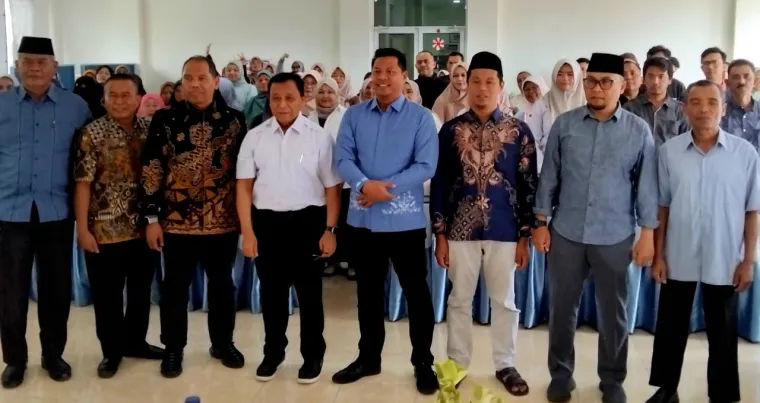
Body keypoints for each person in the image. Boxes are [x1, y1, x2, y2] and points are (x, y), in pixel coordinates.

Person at [533, 53, 658, 403]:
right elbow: (549, 176)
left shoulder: (637, 131)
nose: (597, 88)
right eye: (591, 81)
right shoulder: (565, 125)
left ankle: (613, 380)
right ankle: (561, 375)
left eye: (606, 82)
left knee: (614, 313)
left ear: (621, 85)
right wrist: (540, 222)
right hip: (567, 232)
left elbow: (646, 186)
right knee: (562, 309)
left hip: (615, 235)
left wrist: (647, 233)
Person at [332, 48, 439, 395]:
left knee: (416, 293)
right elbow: (343, 158)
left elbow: (426, 165)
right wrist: (365, 185)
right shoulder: (354, 115)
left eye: (390, 71)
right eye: (377, 71)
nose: (382, 78)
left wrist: (384, 189)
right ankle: (368, 358)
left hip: (405, 222)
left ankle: (423, 362)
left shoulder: (420, 117)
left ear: (403, 76)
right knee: (367, 292)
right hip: (363, 220)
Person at [430, 51, 537, 397]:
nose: (481, 88)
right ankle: (457, 363)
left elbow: (528, 186)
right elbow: (440, 183)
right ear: (466, 85)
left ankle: (505, 364)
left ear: (501, 85)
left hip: (505, 230)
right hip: (459, 230)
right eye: (475, 81)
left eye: (489, 81)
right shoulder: (450, 131)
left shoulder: (519, 132)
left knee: (504, 302)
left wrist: (525, 236)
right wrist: (440, 234)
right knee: (459, 300)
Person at [647, 80, 759, 403]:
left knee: (723, 330)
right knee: (670, 326)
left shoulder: (745, 154)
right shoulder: (669, 152)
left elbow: (753, 210)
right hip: (678, 252)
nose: (703, 109)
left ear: (723, 109)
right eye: (695, 102)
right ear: (685, 109)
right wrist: (658, 255)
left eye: (712, 102)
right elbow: (663, 206)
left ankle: (722, 395)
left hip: (725, 256)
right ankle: (667, 389)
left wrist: (748, 260)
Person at [139, 55, 247, 378]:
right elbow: (151, 169)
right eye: (189, 78)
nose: (195, 84)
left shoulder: (235, 121)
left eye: (202, 78)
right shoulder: (165, 120)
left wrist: (246, 220)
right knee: (174, 288)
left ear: (216, 81)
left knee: (222, 286)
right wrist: (151, 219)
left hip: (222, 221)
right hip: (176, 222)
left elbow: (245, 173)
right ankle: (173, 348)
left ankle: (223, 343)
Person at [237, 72, 342, 384]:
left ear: (302, 99)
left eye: (289, 98)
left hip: (308, 223)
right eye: (276, 98)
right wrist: (247, 231)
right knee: (272, 295)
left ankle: (312, 355)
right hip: (267, 224)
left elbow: (332, 188)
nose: (282, 104)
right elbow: (243, 187)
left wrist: (330, 230)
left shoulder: (318, 137)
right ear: (268, 100)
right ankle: (273, 353)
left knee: (310, 296)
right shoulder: (255, 136)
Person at [0, 36, 90, 389]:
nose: (34, 67)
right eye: (27, 61)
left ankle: (53, 355)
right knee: (10, 292)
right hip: (9, 212)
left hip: (56, 211)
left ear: (54, 67)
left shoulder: (75, 107)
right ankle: (15, 360)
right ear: (17, 65)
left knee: (55, 291)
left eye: (41, 61)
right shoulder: (2, 105)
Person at [73, 73, 165, 379]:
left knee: (140, 291)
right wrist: (83, 230)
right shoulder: (91, 133)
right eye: (113, 95)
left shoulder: (150, 130)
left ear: (139, 98)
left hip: (143, 228)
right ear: (104, 99)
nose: (120, 101)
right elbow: (82, 184)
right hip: (104, 231)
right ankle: (111, 352)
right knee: (107, 297)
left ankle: (136, 342)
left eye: (126, 95)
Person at [307, 78, 350, 277]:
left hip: (343, 179)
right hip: (316, 181)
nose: (325, 96)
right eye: (321, 92)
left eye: (330, 92)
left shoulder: (346, 116)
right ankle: (326, 259)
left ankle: (345, 259)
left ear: (337, 94)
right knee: (322, 220)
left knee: (343, 220)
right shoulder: (308, 118)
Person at [624, 57, 690, 148]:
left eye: (661, 76)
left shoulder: (681, 110)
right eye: (650, 76)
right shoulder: (629, 108)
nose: (655, 82)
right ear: (644, 79)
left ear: (670, 80)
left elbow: (687, 143)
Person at [721, 59, 760, 152]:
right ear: (727, 83)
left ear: (755, 82)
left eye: (747, 77)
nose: (742, 81)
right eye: (735, 77)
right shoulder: (720, 113)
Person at [515, 75, 550, 170]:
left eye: (534, 87)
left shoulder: (547, 108)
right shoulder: (523, 112)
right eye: (527, 89)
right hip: (527, 157)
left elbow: (548, 134)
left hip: (544, 157)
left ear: (541, 87)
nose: (530, 91)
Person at [543, 59, 586, 124]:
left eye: (570, 74)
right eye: (560, 74)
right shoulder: (544, 101)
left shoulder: (588, 100)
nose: (565, 78)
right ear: (554, 75)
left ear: (577, 76)